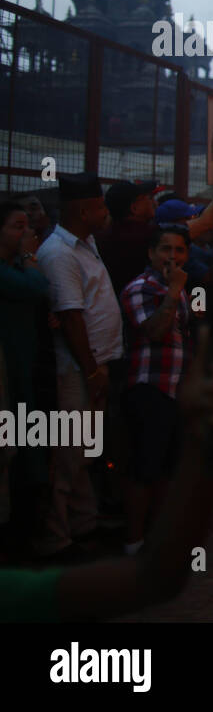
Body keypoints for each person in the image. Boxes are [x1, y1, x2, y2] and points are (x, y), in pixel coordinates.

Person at [1, 345, 213, 621]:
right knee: (133, 463)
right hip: (135, 383)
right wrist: (206, 435)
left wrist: (206, 433)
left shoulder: (11, 593)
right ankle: (125, 538)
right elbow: (157, 578)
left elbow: (156, 577)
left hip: (138, 378)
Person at [33, 174, 124, 560]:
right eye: (101, 207)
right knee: (68, 454)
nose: (105, 213)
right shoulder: (59, 253)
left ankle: (84, 525)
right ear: (84, 210)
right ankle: (54, 539)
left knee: (85, 452)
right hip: (75, 370)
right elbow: (71, 317)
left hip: (95, 364)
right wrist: (91, 369)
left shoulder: (86, 244)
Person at [118, 225, 192, 555]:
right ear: (151, 253)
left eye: (179, 250)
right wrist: (174, 293)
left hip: (175, 389)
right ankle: (134, 542)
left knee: (166, 467)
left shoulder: (182, 288)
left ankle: (158, 535)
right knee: (144, 468)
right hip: (148, 387)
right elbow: (154, 331)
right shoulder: (140, 288)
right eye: (165, 250)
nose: (172, 257)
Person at [0, 200, 51, 554]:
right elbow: (35, 288)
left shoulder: (14, 265)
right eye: (17, 226)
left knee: (27, 451)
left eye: (26, 226)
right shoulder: (13, 269)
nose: (25, 233)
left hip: (23, 368)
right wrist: (33, 258)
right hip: (7, 373)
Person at [96, 179, 158, 297]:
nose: (154, 203)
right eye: (147, 198)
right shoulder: (143, 234)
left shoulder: (106, 235)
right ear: (134, 208)